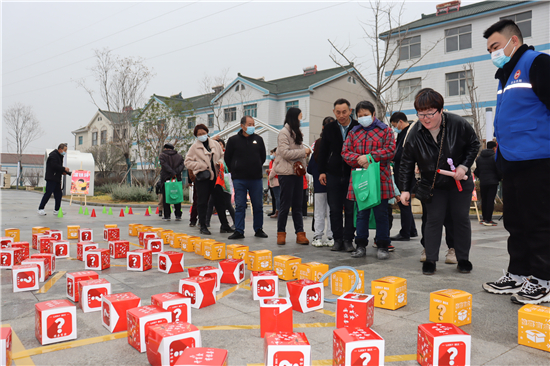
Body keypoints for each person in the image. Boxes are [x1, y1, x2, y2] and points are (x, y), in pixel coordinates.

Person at [481, 19, 550, 304]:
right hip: (510, 160)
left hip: (538, 159)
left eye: (495, 46)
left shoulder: (538, 63)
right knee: (515, 221)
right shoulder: (505, 75)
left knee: (539, 221)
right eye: (489, 50)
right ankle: (519, 273)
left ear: (514, 41)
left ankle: (544, 278)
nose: (492, 53)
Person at [399, 88, 480, 275]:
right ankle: (431, 260)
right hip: (433, 184)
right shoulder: (415, 132)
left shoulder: (457, 123)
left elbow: (474, 144)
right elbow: (406, 162)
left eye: (430, 113)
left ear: (441, 110)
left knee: (460, 219)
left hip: (459, 182)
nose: (425, 118)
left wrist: (463, 166)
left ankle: (463, 258)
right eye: (421, 114)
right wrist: (404, 189)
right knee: (433, 220)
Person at [342, 101, 396, 259]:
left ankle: (383, 245)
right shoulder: (354, 132)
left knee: (382, 214)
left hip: (380, 179)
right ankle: (360, 245)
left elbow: (391, 150)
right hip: (361, 179)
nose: (362, 118)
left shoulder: (385, 130)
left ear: (373, 115)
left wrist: (371, 157)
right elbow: (345, 152)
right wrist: (360, 159)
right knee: (361, 214)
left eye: (366, 115)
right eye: (359, 116)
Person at [318, 99, 359, 252]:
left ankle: (349, 240)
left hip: (352, 174)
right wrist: (322, 171)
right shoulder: (329, 128)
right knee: (334, 209)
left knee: (350, 208)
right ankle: (337, 239)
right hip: (333, 174)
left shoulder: (357, 127)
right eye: (338, 112)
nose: (341, 115)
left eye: (344, 112)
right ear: (334, 112)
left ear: (350, 111)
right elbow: (322, 152)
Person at [184, 124, 233, 235]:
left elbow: (222, 156)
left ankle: (224, 225)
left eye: (203, 133)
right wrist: (200, 166)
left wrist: (220, 162)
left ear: (207, 132)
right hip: (203, 178)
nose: (202, 135)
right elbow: (187, 162)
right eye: (199, 134)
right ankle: (203, 225)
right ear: (196, 136)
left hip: (216, 178)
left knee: (220, 202)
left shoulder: (215, 144)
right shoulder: (194, 147)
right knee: (202, 202)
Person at [224, 116, 268, 239]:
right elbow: (228, 158)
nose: (252, 126)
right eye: (249, 124)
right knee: (240, 205)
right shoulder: (233, 140)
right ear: (242, 126)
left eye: (253, 124)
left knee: (258, 205)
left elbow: (262, 157)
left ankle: (258, 229)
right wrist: (235, 168)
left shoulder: (259, 139)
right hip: (239, 179)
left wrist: (256, 166)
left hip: (256, 179)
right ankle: (239, 230)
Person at [273, 107, 311, 245]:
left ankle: (300, 234)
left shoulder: (297, 132)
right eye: (300, 117)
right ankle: (280, 233)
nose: (301, 120)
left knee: (298, 205)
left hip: (297, 173)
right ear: (294, 117)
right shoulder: (283, 133)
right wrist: (303, 152)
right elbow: (285, 153)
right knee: (285, 204)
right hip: (286, 173)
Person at [389, 112, 418, 241]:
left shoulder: (409, 132)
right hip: (401, 170)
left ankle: (405, 232)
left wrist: (392, 156)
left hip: (405, 172)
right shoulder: (402, 133)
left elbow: (402, 153)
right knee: (405, 202)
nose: (395, 128)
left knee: (403, 201)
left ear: (400, 122)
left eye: (394, 125)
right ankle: (412, 230)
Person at [307, 117, 334, 247]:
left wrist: (318, 174)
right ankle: (331, 237)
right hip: (333, 184)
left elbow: (310, 167)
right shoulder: (337, 142)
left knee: (319, 212)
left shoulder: (318, 143)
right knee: (331, 212)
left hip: (319, 185)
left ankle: (317, 237)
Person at [205, 138, 235, 228]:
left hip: (224, 181)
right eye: (218, 144)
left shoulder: (226, 155)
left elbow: (230, 166)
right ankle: (207, 222)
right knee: (211, 202)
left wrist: (221, 165)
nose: (219, 146)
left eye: (221, 144)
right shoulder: (212, 154)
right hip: (215, 182)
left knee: (227, 203)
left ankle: (235, 222)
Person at [38, 143, 71, 216]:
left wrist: (65, 172)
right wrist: (63, 168)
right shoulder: (53, 155)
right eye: (65, 150)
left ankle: (57, 210)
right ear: (60, 149)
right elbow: (54, 166)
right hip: (51, 178)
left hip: (57, 179)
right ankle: (41, 208)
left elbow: (58, 167)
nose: (65, 152)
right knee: (48, 193)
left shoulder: (60, 156)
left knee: (58, 194)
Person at [474, 141, 501, 226]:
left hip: (483, 182)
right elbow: (498, 169)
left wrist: (481, 176)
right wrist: (499, 178)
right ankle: (489, 219)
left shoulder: (479, 158)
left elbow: (476, 170)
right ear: (494, 148)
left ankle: (484, 218)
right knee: (490, 200)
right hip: (493, 182)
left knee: (484, 200)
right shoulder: (494, 157)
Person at [159, 143, 184, 221]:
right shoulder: (179, 156)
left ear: (165, 148)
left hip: (166, 178)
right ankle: (178, 214)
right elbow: (182, 166)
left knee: (166, 197)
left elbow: (164, 165)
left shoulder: (162, 155)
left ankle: (167, 215)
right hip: (177, 179)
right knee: (177, 195)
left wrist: (171, 172)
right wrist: (175, 173)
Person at [267, 148, 280, 219]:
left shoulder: (276, 161)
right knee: (278, 197)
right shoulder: (281, 160)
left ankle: (278, 211)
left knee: (277, 197)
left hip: (276, 181)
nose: (272, 155)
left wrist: (270, 176)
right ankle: (277, 211)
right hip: (280, 180)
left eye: (273, 153)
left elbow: (274, 171)